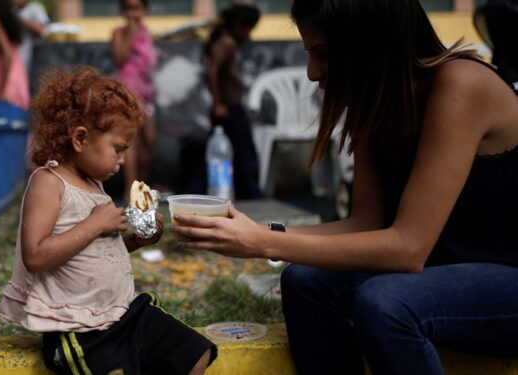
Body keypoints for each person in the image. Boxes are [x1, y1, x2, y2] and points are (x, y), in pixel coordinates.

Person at [172, 0, 518, 374]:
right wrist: (259, 232)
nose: (311, 73)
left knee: (384, 300)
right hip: (445, 278)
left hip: (506, 283)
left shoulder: (461, 84)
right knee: (304, 279)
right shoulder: (375, 103)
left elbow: (408, 249)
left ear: (369, 45)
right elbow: (365, 224)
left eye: (322, 53)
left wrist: (263, 244)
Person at [0, 67, 216, 375]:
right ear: (80, 138)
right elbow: (34, 256)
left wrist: (137, 240)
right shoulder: (49, 182)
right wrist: (93, 225)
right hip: (79, 329)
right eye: (118, 149)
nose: (123, 160)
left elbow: (94, 253)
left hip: (124, 313)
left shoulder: (94, 185)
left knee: (195, 353)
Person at [203, 3, 262, 200]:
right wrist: (218, 103)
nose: (249, 34)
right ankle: (251, 194)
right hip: (228, 109)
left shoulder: (226, 42)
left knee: (236, 153)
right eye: (247, 28)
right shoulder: (226, 43)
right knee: (243, 155)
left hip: (230, 107)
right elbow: (212, 71)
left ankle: (247, 193)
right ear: (238, 25)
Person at [111, 0, 158, 201]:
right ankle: (131, 191)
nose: (132, 13)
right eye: (128, 9)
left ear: (144, 11)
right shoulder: (119, 33)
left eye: (136, 8)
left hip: (146, 95)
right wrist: (130, 34)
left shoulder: (147, 33)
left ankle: (142, 185)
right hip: (128, 92)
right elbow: (119, 57)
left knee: (150, 139)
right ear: (122, 12)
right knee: (131, 141)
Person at [12, 0, 50, 74]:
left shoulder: (35, 8)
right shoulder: (13, 9)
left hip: (33, 55)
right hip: (18, 55)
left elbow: (43, 30)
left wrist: (21, 21)